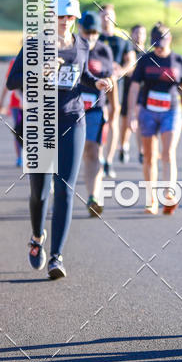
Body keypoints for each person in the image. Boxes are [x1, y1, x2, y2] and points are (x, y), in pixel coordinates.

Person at [7, 0, 113, 279]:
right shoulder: (35, 45)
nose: (65, 21)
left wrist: (99, 82)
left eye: (69, 16)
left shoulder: (80, 44)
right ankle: (37, 237)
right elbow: (12, 81)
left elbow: (83, 77)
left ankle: (56, 257)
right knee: (40, 193)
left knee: (65, 189)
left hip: (72, 120)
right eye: (60, 16)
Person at [127, 23, 182, 215]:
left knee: (168, 152)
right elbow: (135, 87)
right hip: (148, 111)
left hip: (171, 111)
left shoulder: (179, 60)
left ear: (169, 40)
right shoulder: (145, 60)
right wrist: (131, 113)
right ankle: (151, 200)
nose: (159, 48)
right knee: (149, 156)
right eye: (156, 44)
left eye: (162, 43)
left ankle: (168, 194)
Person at [77, 12, 115, 217]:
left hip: (95, 110)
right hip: (68, 110)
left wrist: (115, 108)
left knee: (92, 151)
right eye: (87, 31)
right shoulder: (70, 48)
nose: (91, 36)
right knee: (71, 153)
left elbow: (111, 80)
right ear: (79, 29)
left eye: (94, 32)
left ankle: (93, 197)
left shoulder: (104, 51)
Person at [98, 4, 136, 178]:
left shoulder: (121, 41)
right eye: (104, 16)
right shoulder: (94, 39)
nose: (107, 19)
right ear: (99, 18)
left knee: (113, 121)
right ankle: (98, 157)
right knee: (100, 120)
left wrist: (120, 71)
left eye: (109, 16)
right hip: (96, 86)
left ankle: (108, 160)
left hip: (115, 87)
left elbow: (132, 62)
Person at [118, 24, 147, 164]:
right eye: (136, 33)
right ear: (132, 34)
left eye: (142, 33)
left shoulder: (148, 54)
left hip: (142, 90)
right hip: (127, 89)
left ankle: (141, 151)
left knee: (140, 120)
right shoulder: (127, 51)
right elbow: (124, 69)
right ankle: (123, 146)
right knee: (125, 121)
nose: (139, 36)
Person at [0, 58, 24, 167]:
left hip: (35, 103)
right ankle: (19, 157)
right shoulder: (15, 61)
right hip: (17, 103)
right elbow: (9, 83)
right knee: (18, 130)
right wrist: (1, 102)